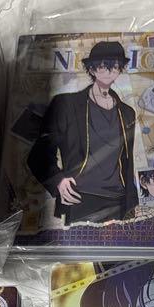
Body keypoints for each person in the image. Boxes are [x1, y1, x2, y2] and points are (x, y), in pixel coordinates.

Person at [27, 40, 139, 225]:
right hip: (80, 197)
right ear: (92, 69)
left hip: (118, 200)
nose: (109, 71)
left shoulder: (127, 113)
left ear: (120, 70)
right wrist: (58, 180)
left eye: (115, 66)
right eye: (103, 66)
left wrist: (132, 202)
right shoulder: (66, 105)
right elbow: (38, 154)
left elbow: (127, 163)